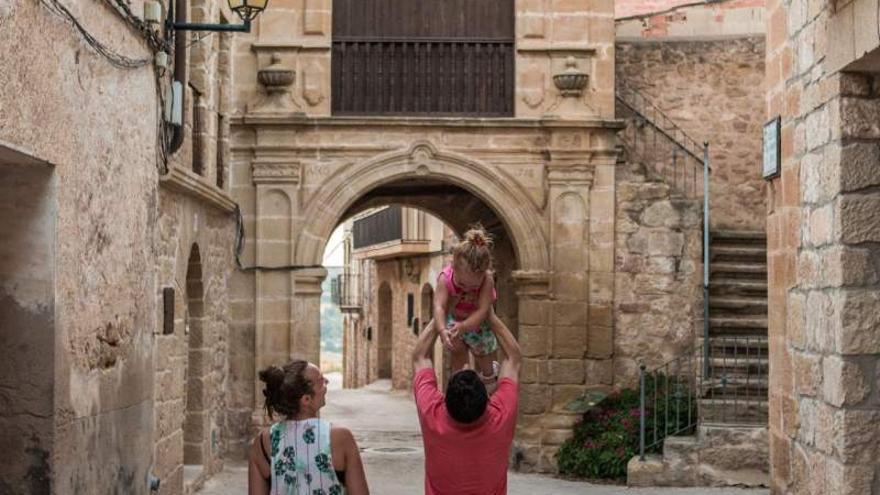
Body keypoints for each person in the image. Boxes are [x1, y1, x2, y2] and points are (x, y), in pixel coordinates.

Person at [411, 304, 522, 495]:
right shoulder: (500, 416)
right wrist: (490, 317)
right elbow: (513, 358)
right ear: (488, 399)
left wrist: (442, 312)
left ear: (444, 401)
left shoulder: (433, 414)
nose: (465, 365)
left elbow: (419, 356)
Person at [248, 360, 369, 495]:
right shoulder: (340, 438)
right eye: (321, 380)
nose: (326, 382)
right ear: (306, 399)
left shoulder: (262, 443)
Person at [433, 226, 505, 392]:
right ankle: (458, 389)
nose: (466, 289)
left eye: (472, 285)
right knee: (457, 353)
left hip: (479, 326)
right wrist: (442, 329)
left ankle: (489, 388)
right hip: (455, 321)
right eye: (462, 284)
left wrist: (465, 326)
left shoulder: (487, 280)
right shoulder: (446, 278)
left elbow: (482, 310)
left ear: (484, 273)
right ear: (453, 268)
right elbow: (439, 306)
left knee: (485, 360)